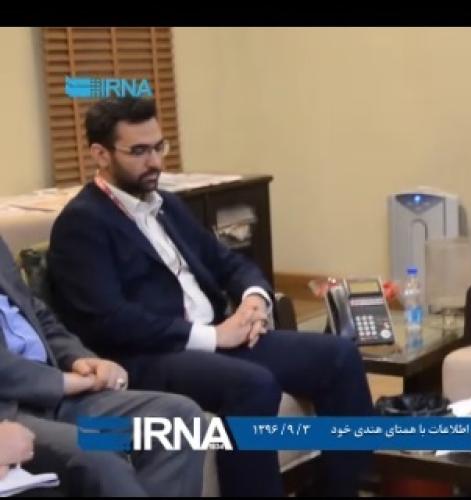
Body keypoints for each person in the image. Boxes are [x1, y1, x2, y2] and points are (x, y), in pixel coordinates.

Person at [47, 97, 374, 496]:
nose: (155, 161)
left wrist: (254, 300)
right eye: (139, 151)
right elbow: (109, 320)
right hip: (150, 355)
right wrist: (214, 336)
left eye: (159, 147)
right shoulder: (82, 224)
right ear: (101, 154)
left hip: (218, 337)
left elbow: (229, 263)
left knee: (338, 356)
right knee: (253, 385)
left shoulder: (167, 204)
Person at [0, 237, 204, 496]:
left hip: (59, 401)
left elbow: (36, 313)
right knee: (98, 452)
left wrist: (77, 358)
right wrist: (64, 382)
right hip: (11, 412)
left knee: (178, 422)